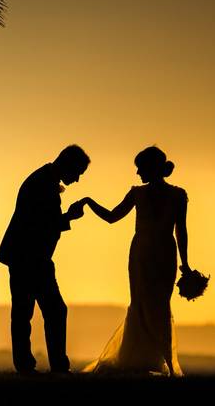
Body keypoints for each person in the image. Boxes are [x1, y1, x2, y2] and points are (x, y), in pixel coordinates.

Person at [77, 146, 190, 376]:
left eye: (140, 168)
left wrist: (186, 264)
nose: (137, 173)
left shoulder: (176, 195)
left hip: (157, 254)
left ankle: (162, 360)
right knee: (144, 304)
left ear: (150, 168)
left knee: (157, 305)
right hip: (147, 255)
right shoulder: (144, 194)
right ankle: (146, 359)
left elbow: (181, 231)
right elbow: (112, 216)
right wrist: (89, 202)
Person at [0, 145, 89, 374]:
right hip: (30, 257)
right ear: (68, 164)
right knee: (50, 311)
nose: (76, 180)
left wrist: (65, 217)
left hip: (25, 256)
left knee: (25, 312)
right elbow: (42, 224)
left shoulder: (42, 179)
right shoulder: (43, 184)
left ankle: (29, 365)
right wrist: (70, 217)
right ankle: (53, 365)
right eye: (77, 173)